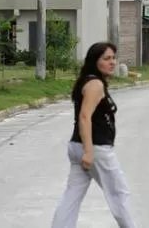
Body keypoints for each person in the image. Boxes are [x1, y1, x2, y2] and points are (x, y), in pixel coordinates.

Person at [51, 42, 137, 228]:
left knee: (72, 196)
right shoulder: (95, 84)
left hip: (78, 147)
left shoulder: (87, 81)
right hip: (95, 149)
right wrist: (89, 151)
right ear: (94, 62)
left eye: (113, 58)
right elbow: (84, 116)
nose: (112, 62)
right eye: (106, 59)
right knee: (119, 194)